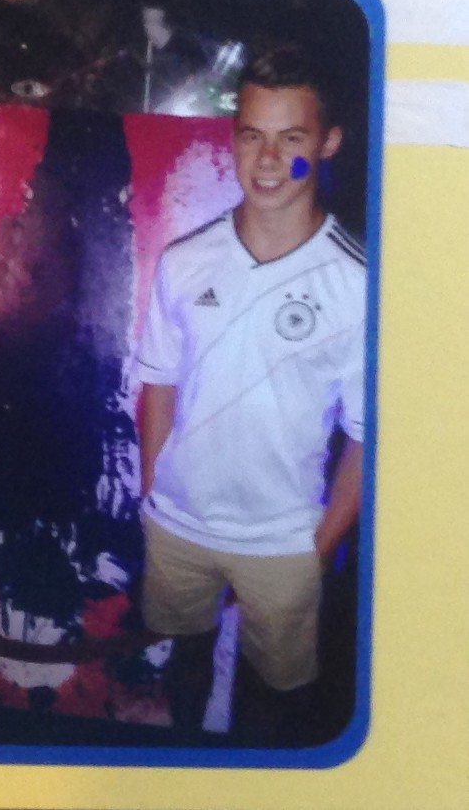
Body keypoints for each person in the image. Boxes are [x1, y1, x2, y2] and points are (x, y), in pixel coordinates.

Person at [134, 44, 366, 745]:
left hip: (283, 541)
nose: (267, 160)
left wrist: (318, 547)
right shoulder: (185, 261)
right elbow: (157, 383)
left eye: (291, 139)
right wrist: (156, 494)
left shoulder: (358, 285)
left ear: (327, 143)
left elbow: (370, 437)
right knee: (183, 667)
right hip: (179, 527)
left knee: (276, 700)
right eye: (251, 136)